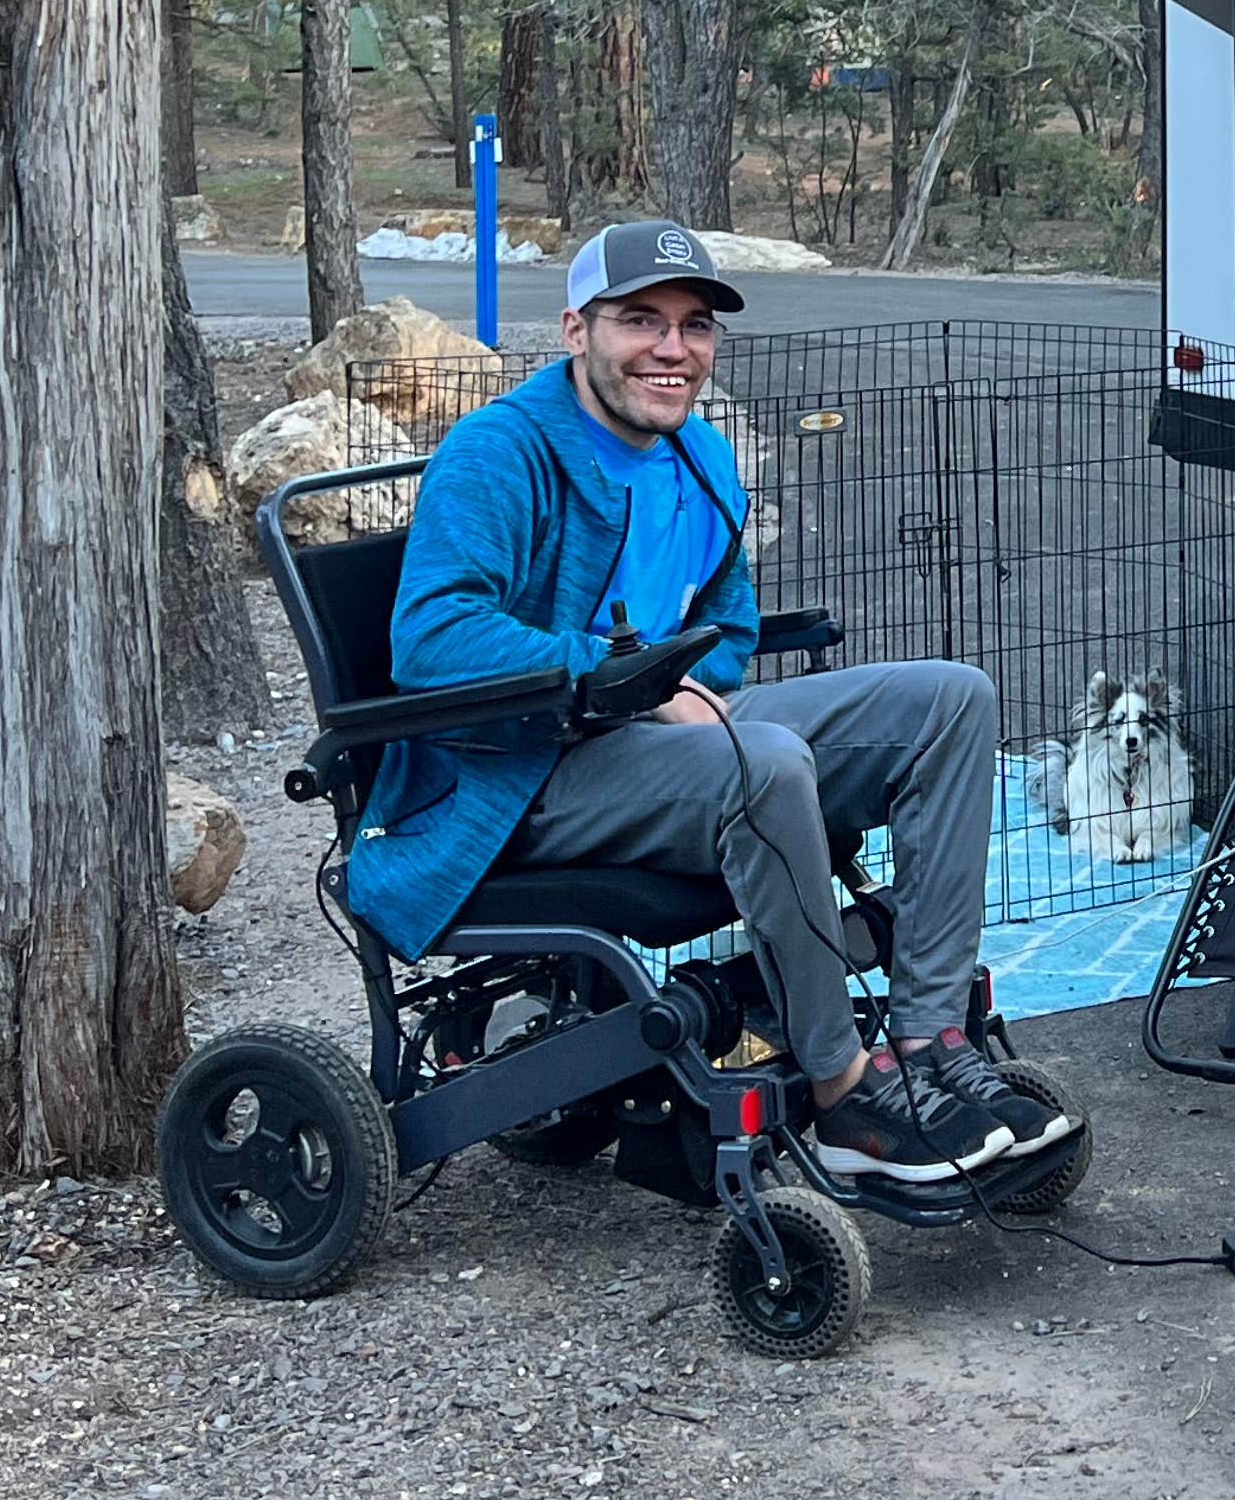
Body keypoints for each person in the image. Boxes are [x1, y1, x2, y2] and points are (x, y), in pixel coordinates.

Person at [347, 219, 1079, 1185]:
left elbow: (728, 629)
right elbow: (432, 638)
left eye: (694, 325)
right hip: (514, 778)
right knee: (761, 762)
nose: (672, 347)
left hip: (645, 750)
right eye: (639, 320)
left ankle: (932, 1042)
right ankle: (842, 1096)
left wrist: (679, 692)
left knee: (950, 698)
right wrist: (633, 682)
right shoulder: (499, 453)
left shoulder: (698, 458)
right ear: (576, 329)